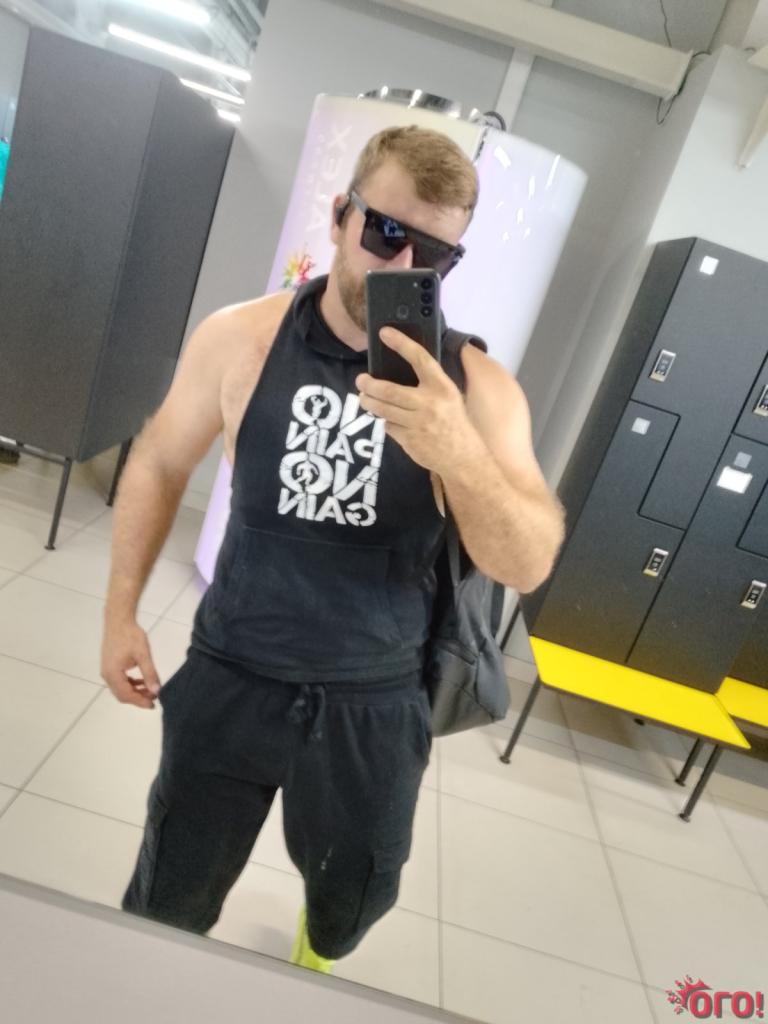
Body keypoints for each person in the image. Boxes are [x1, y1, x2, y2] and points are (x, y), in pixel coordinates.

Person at [101, 125, 565, 972]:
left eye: (433, 254)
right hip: (232, 670)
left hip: (374, 702)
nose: (403, 266)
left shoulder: (476, 389)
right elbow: (162, 459)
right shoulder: (240, 338)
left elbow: (528, 561)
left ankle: (316, 955)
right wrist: (119, 612)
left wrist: (458, 451)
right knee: (170, 893)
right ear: (340, 216)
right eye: (385, 232)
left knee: (350, 903)